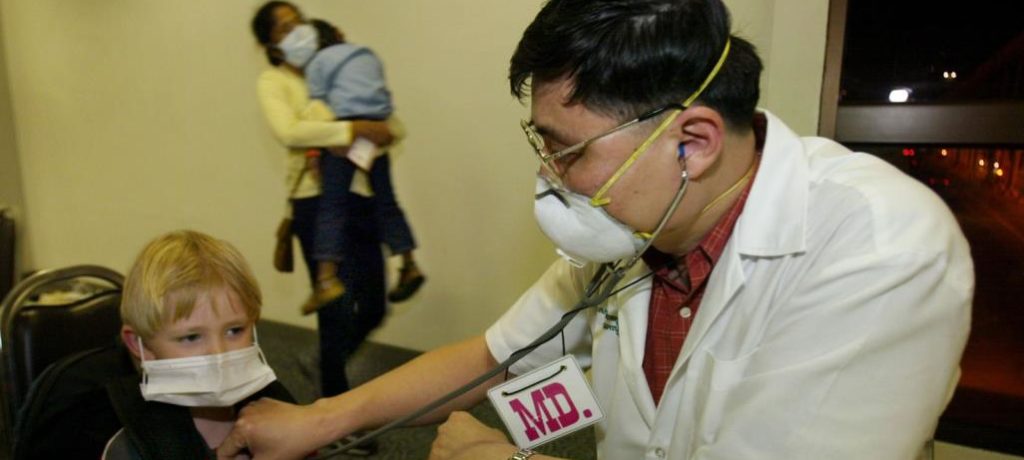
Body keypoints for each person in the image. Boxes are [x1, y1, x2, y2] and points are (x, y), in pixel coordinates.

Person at [221, 1, 974, 459]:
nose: (549, 177)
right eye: (543, 146)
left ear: (694, 142)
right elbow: (494, 356)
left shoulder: (881, 247)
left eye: (569, 152)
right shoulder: (636, 230)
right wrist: (318, 420)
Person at [251, 0, 393, 408]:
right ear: (271, 45)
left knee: (374, 305)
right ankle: (333, 408)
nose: (298, 30)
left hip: (359, 196)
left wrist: (369, 127)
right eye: (284, 28)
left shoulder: (336, 66)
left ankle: (320, 362)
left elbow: (388, 124)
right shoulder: (274, 81)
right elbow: (289, 131)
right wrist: (350, 128)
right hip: (314, 206)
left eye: (298, 21)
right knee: (334, 311)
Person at [103, 230, 293, 458]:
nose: (219, 354)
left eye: (234, 330)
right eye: (191, 337)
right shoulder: (130, 446)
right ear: (139, 345)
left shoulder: (278, 409)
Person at [303, 17, 427, 308]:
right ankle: (409, 264)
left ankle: (326, 279)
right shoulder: (368, 55)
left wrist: (314, 151)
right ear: (338, 33)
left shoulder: (317, 62)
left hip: (345, 133)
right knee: (387, 202)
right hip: (378, 130)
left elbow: (317, 108)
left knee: (332, 206)